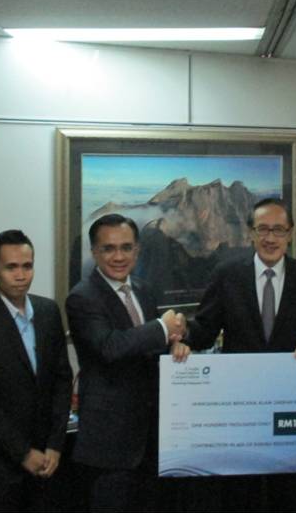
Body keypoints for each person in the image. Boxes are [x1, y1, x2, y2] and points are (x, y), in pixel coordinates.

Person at [185, 197, 296, 512]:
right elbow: (204, 330)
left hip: (290, 402)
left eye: (278, 230)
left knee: (287, 494)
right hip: (241, 406)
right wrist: (179, 337)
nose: (270, 238)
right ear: (250, 233)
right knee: (241, 493)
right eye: (263, 229)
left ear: (290, 234)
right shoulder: (227, 274)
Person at [65, 213, 188, 512]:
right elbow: (110, 347)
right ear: (94, 252)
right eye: (108, 248)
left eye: (126, 247)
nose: (118, 257)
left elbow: (147, 348)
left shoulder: (144, 290)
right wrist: (162, 328)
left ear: (137, 250)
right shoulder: (82, 297)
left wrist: (175, 344)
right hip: (111, 445)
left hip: (152, 439)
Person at [0, 229, 73, 511]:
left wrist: (55, 444)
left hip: (49, 458)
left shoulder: (48, 311)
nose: (21, 275)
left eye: (27, 266)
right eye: (11, 267)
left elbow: (62, 379)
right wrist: (23, 453)